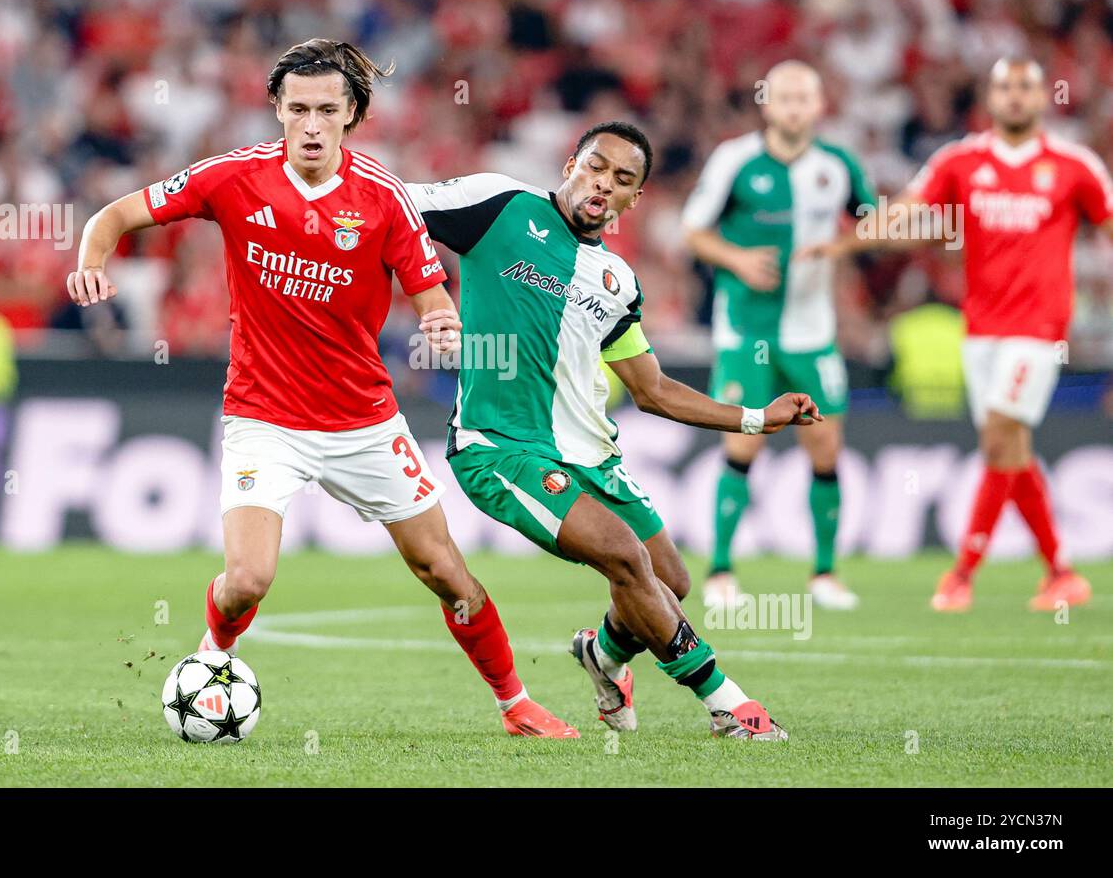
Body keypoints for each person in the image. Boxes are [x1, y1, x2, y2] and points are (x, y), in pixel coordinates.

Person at [67, 38, 577, 737]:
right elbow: (114, 215)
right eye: (298, 108)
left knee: (446, 573)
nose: (311, 124)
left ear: (352, 114)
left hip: (364, 421)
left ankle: (515, 703)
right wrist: (92, 261)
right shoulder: (233, 177)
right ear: (277, 108)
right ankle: (213, 654)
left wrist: (441, 326)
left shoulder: (384, 198)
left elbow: (431, 295)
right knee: (247, 579)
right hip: (263, 416)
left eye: (326, 110)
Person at [405, 121, 822, 739]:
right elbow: (387, 203)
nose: (604, 184)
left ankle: (602, 656)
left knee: (671, 582)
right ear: (571, 162)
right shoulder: (499, 205)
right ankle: (728, 706)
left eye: (623, 179)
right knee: (628, 560)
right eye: (596, 167)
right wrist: (431, 297)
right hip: (501, 448)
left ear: (635, 200)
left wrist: (757, 418)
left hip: (592, 458)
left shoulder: (617, 282)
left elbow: (652, 391)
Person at [810, 57, 1109, 612]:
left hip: (1041, 329)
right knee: (1009, 447)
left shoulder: (1073, 165)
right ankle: (1061, 574)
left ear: (1043, 97)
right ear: (990, 99)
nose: (1015, 97)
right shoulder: (961, 161)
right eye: (1004, 88)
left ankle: (962, 574)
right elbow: (910, 214)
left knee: (1000, 435)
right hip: (981, 330)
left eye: (1025, 87)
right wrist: (851, 239)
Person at [682, 61, 875, 612]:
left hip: (813, 333)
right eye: (784, 96)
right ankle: (720, 571)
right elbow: (693, 231)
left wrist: (842, 248)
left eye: (804, 97)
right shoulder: (734, 159)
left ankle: (824, 574)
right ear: (767, 103)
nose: (794, 106)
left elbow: (877, 223)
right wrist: (737, 259)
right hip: (746, 332)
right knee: (743, 442)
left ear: (819, 105)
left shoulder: (837, 166)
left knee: (825, 447)